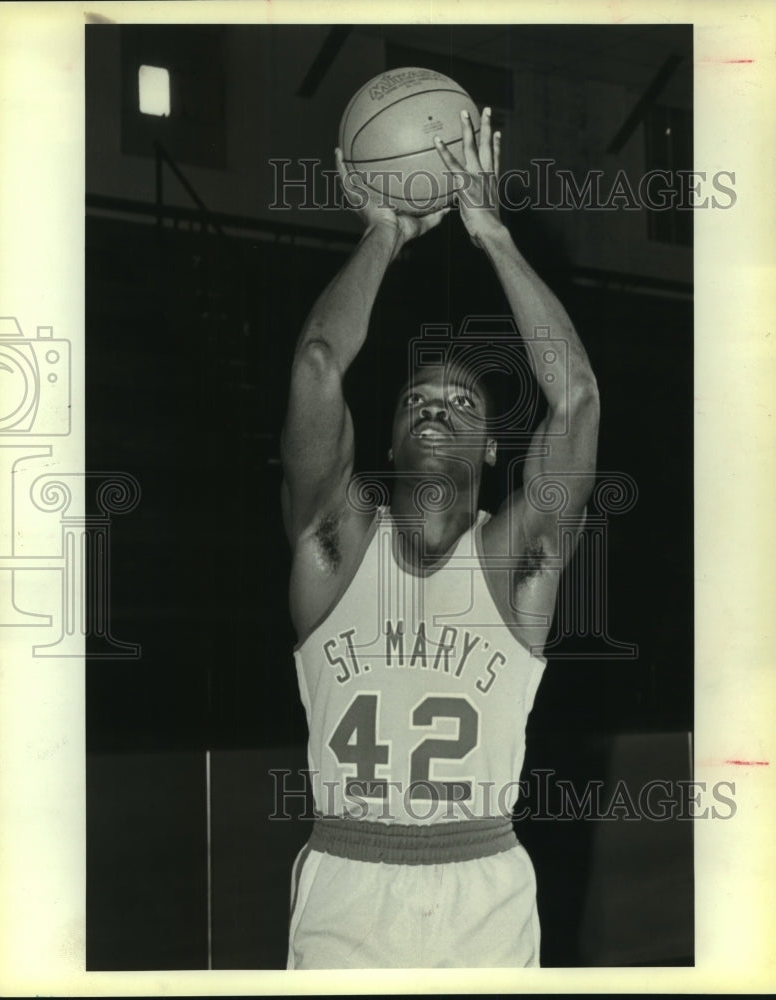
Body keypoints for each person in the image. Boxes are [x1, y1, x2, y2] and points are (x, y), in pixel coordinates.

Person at [280, 107, 600, 969]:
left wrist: (492, 235)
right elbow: (317, 362)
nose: (436, 409)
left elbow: (574, 401)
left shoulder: (513, 565)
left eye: (463, 405)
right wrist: (383, 232)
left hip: (482, 894)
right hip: (347, 887)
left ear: (493, 446)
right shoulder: (334, 550)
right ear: (385, 436)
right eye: (417, 399)